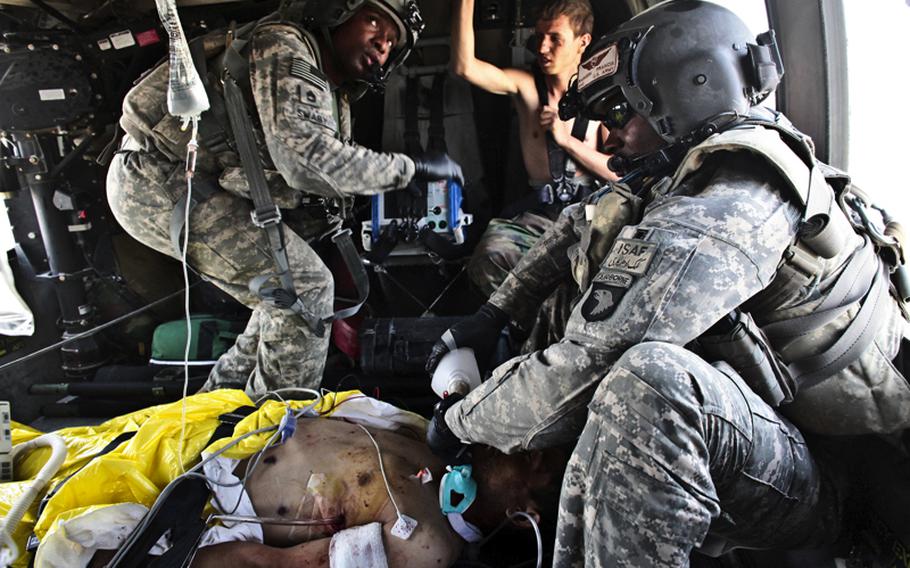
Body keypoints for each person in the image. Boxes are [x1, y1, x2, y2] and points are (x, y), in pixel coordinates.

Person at [425, 1, 910, 566]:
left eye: (618, 115)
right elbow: (576, 226)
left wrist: (456, 421)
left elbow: (594, 360)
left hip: (828, 476)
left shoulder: (740, 193)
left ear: (689, 88)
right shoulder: (674, 178)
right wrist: (493, 318)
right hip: (762, 424)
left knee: (650, 385)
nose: (606, 142)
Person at [107, 0, 464, 396]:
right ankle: (272, 437)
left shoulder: (332, 93)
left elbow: (304, 181)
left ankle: (219, 416)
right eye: (375, 22)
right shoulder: (285, 45)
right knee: (306, 292)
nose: (382, 43)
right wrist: (410, 169)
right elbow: (307, 162)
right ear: (340, 13)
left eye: (392, 43)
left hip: (189, 183)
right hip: (158, 179)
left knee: (285, 296)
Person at [186, 416, 566, 568]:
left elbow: (268, 566)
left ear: (524, 515)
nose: (528, 450)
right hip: (202, 434)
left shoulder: (425, 545)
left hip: (192, 500)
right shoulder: (432, 440)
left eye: (539, 463)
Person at [451, 0, 617, 299]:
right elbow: (465, 67)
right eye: (539, 37)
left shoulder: (601, 97)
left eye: (555, 39)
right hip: (539, 218)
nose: (542, 48)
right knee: (490, 255)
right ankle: (529, 329)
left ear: (583, 42)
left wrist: (566, 141)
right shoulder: (527, 86)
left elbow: (618, 174)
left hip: (591, 218)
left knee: (604, 272)